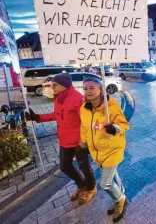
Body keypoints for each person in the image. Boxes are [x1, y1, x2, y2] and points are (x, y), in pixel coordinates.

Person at [25, 73, 96, 205]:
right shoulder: (59, 98)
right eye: (52, 85)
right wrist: (38, 117)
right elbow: (56, 115)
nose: (52, 88)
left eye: (55, 85)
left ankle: (91, 188)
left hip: (79, 142)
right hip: (64, 140)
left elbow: (87, 122)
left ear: (65, 85)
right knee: (64, 166)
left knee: (84, 166)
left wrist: (85, 141)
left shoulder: (78, 99)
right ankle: (81, 185)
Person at [80, 78, 130, 222]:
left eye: (92, 88)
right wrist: (83, 143)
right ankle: (122, 195)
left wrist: (115, 128)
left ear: (100, 89)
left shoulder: (111, 106)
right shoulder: (84, 108)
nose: (88, 91)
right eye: (85, 88)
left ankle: (119, 200)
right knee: (113, 176)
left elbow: (125, 124)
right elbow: (84, 127)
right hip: (97, 151)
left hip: (112, 149)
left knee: (105, 183)